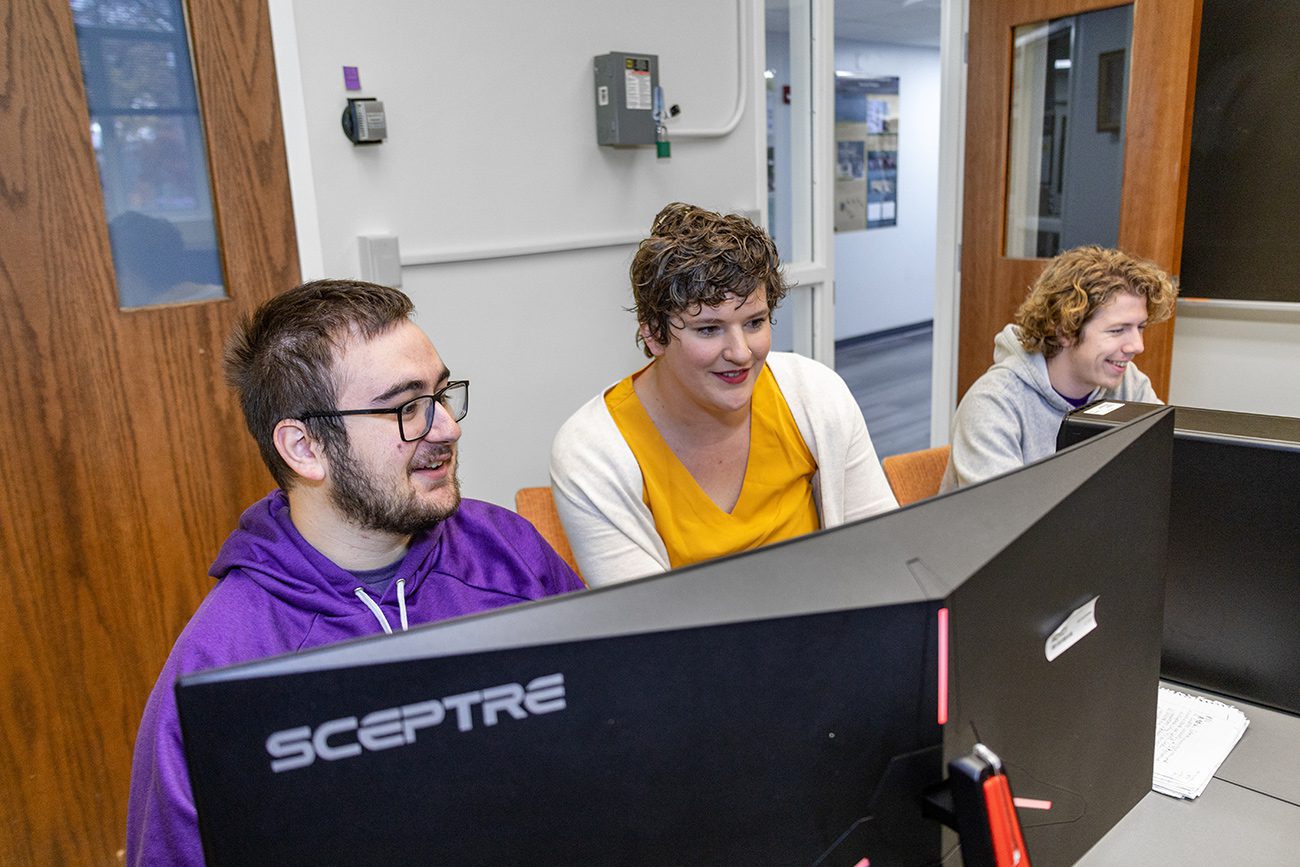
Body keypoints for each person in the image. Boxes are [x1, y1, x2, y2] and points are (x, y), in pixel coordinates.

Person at [126, 279, 583, 865]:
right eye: (407, 407)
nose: (446, 427)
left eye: (442, 395)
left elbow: (609, 740)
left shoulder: (507, 552)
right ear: (305, 448)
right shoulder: (224, 664)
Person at [550, 203, 897, 586]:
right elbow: (645, 626)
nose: (741, 352)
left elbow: (883, 554)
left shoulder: (815, 395)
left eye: (754, 322)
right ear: (653, 334)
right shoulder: (594, 451)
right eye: (709, 329)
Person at [940, 245, 1178, 492]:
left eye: (1140, 327)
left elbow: (1167, 470)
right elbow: (1003, 518)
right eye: (1117, 330)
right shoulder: (993, 404)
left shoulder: (1130, 385)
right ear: (1064, 330)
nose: (1137, 346)